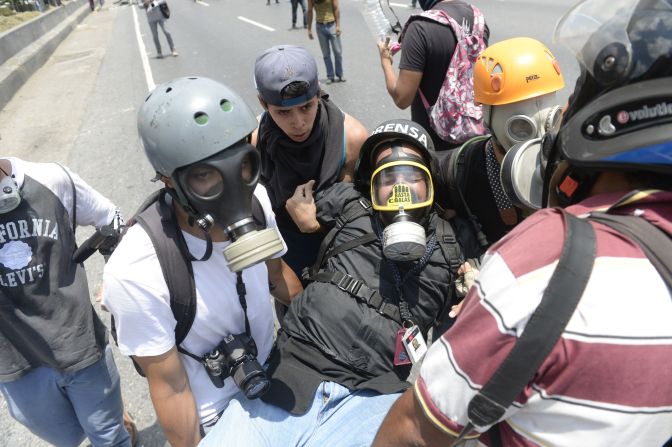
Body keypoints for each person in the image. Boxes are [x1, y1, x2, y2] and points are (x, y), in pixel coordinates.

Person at [373, 0, 672, 445]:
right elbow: (424, 175)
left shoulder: (544, 253)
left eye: (547, 105)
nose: (538, 123)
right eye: (517, 113)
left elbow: (414, 428)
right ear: (486, 115)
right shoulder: (467, 165)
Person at [200, 119, 466, 446]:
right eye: (388, 176)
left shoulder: (451, 250)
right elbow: (296, 199)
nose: (401, 189)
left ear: (431, 184)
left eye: (413, 176)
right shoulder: (350, 204)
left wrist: (471, 297)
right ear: (371, 184)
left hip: (374, 395)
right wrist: (308, 222)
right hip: (294, 368)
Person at [102, 77, 303, 446]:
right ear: (169, 181)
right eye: (206, 175)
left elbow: (277, 278)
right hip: (218, 415)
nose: (234, 187)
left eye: (242, 164)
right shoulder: (136, 269)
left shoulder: (256, 198)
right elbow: (171, 389)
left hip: (275, 374)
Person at [0, 157, 131, 447]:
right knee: (66, 437)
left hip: (78, 346)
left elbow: (112, 219)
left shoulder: (52, 180)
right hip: (15, 361)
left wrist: (116, 281)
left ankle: (110, 423)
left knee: (109, 437)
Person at [437, 37, 565, 258]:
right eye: (521, 128)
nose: (541, 138)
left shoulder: (575, 168)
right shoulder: (459, 170)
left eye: (551, 121)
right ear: (486, 115)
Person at [252, 44, 368, 278]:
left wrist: (313, 226)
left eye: (306, 107)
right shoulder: (254, 143)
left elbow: (362, 220)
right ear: (263, 104)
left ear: (318, 95)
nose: (298, 123)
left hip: (343, 258)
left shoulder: (350, 139)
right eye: (283, 112)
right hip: (285, 259)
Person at [377, 0, 489, 151]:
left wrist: (385, 62)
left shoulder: (420, 27)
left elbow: (402, 98)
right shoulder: (478, 20)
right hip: (473, 136)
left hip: (433, 144)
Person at [307, 0, 345, 84]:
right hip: (320, 27)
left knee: (338, 51)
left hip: (332, 25)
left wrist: (338, 25)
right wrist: (309, 29)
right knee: (326, 54)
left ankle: (339, 74)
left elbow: (336, 7)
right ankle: (330, 76)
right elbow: (309, 11)